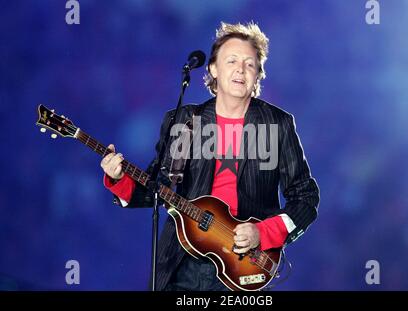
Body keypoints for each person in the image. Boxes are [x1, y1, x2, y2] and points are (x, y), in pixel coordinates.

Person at [100, 22, 320, 291]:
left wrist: (262, 233)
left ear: (259, 75)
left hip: (243, 264)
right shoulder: (184, 121)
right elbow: (157, 189)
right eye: (232, 60)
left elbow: (305, 197)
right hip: (180, 263)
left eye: (250, 64)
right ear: (213, 69)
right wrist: (118, 178)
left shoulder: (277, 124)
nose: (241, 69)